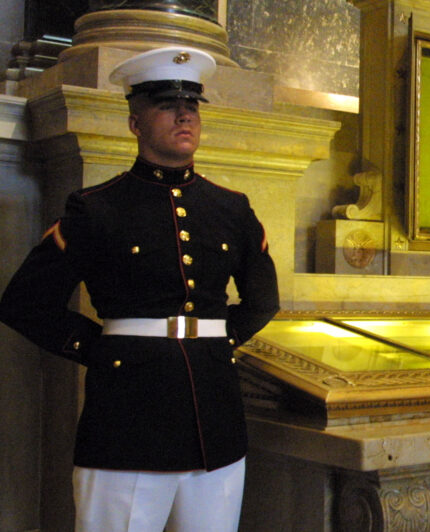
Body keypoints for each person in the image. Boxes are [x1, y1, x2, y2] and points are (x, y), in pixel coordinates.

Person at [0, 46, 279, 531]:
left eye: (191, 106)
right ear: (135, 122)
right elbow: (24, 304)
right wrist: (104, 349)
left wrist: (216, 344)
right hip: (127, 420)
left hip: (215, 424)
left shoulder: (231, 208)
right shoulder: (96, 208)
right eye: (167, 105)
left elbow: (263, 300)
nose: (184, 115)